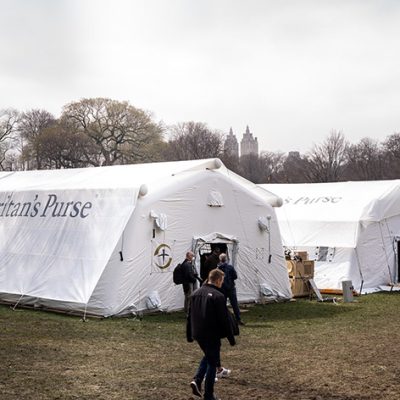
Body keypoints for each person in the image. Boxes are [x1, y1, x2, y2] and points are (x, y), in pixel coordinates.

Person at [187, 269, 235, 400]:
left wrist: (189, 334)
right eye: (222, 281)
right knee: (212, 362)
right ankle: (208, 394)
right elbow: (224, 319)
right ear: (218, 280)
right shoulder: (218, 296)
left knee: (209, 356)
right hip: (212, 334)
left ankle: (197, 381)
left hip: (198, 333)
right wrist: (231, 338)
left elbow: (189, 316)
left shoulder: (195, 293)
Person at [218, 253, 244, 326]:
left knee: (222, 305)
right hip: (231, 288)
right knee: (234, 304)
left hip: (222, 288)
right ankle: (238, 319)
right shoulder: (230, 267)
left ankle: (223, 320)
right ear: (226, 259)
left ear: (220, 259)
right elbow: (235, 276)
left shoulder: (218, 268)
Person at [182, 251, 200, 316]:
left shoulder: (187, 263)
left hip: (187, 283)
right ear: (188, 256)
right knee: (189, 297)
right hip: (188, 283)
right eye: (192, 256)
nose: (193, 257)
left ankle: (188, 311)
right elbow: (188, 274)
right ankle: (188, 312)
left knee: (188, 297)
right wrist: (194, 279)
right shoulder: (187, 264)